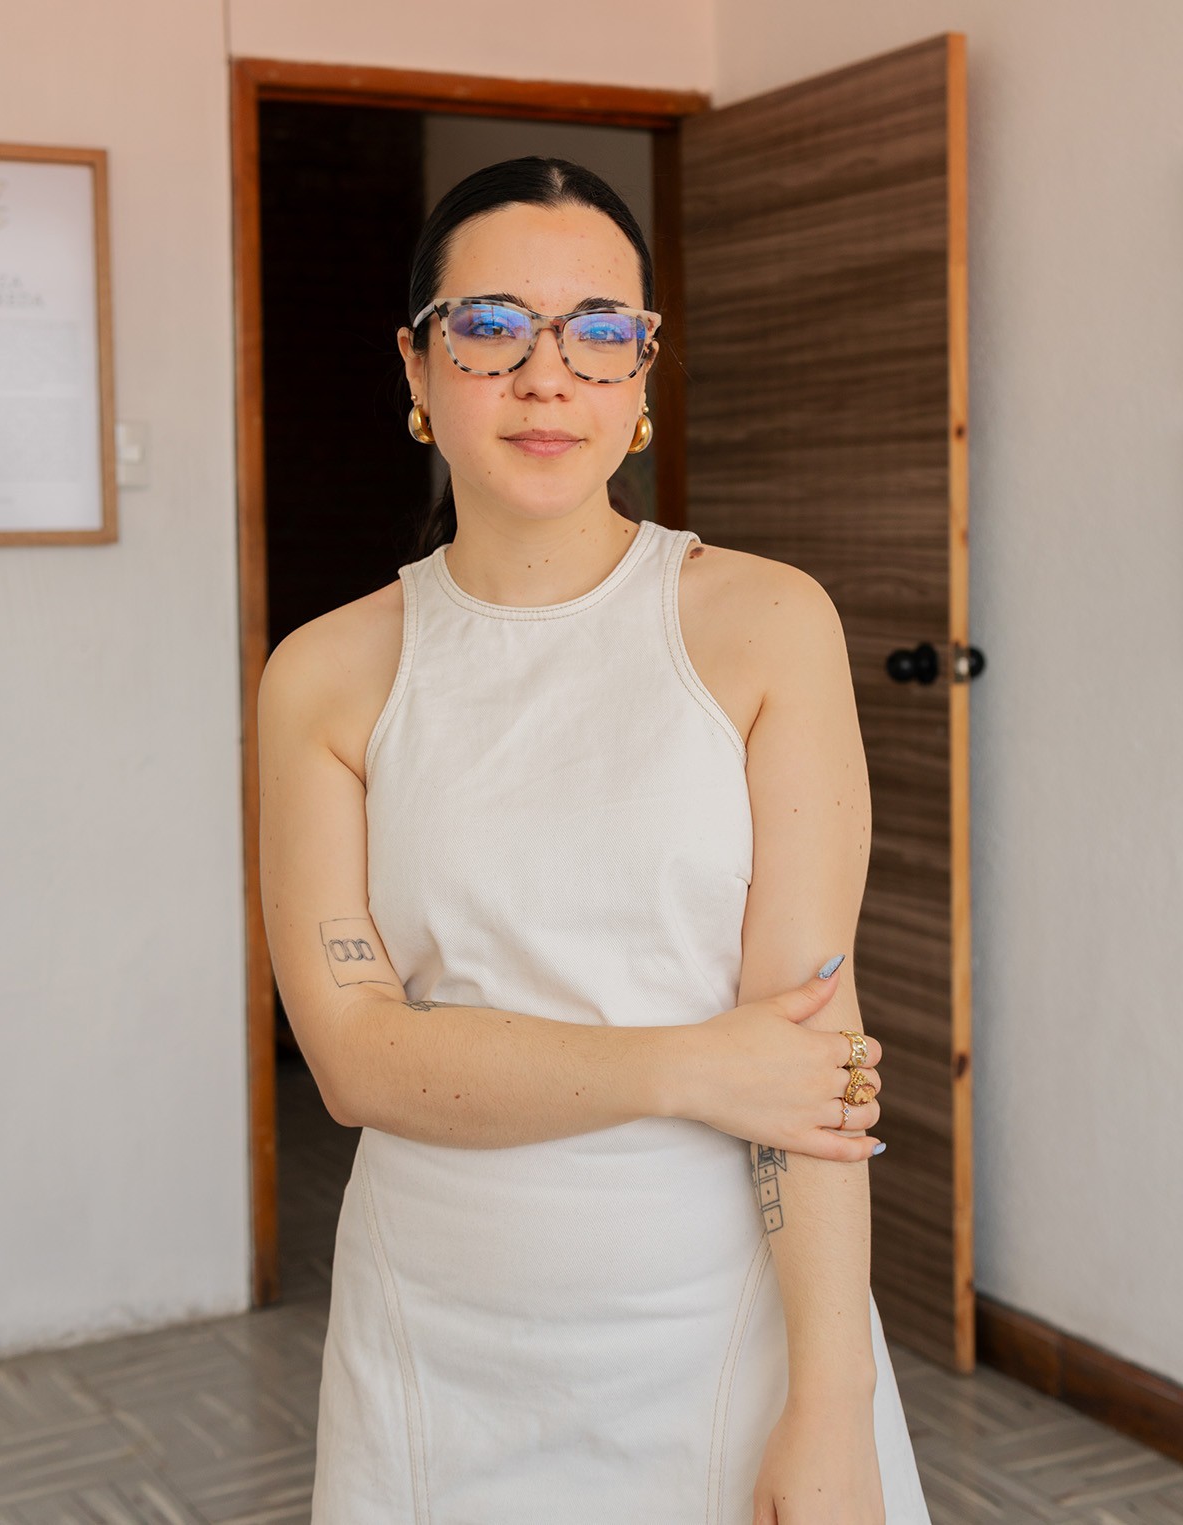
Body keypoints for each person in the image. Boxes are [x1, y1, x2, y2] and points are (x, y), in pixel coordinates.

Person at [258, 155, 932, 1525]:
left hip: (720, 1330)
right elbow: (354, 1058)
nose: (546, 375)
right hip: (435, 1347)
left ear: (642, 377)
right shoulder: (326, 676)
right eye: (492, 326)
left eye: (602, 330)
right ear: (418, 363)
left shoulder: (761, 624)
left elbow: (812, 1054)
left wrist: (830, 1399)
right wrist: (700, 1064)